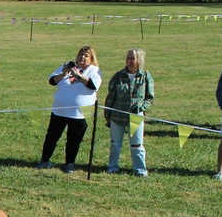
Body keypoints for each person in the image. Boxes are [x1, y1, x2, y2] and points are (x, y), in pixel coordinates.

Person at [37, 46, 103, 174]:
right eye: (81, 54)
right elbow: (52, 81)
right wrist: (64, 73)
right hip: (59, 111)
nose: (82, 57)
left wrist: (78, 76)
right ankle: (44, 160)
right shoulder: (66, 66)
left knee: (73, 140)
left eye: (86, 55)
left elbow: (93, 85)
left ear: (91, 59)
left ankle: (69, 164)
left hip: (79, 114)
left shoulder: (94, 71)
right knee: (51, 137)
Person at [103, 48, 154, 178]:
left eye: (132, 58)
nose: (129, 61)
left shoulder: (145, 76)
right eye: (128, 58)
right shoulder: (118, 76)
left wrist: (141, 107)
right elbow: (111, 97)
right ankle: (112, 167)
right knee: (115, 143)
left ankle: (140, 170)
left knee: (137, 145)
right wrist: (107, 113)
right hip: (117, 116)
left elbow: (149, 98)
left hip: (136, 117)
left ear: (139, 60)